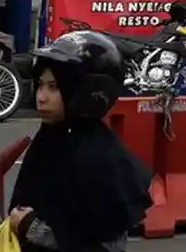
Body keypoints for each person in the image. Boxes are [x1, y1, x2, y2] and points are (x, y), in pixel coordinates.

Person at [8, 30, 152, 252]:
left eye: (54, 87)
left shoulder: (97, 159)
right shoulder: (52, 137)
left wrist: (32, 227)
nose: (41, 96)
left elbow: (103, 244)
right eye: (40, 84)